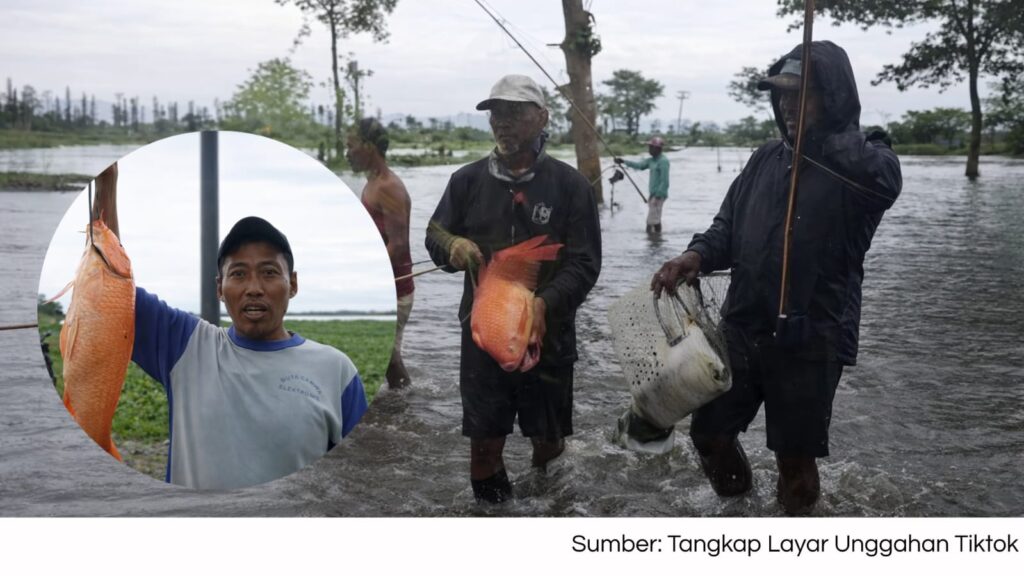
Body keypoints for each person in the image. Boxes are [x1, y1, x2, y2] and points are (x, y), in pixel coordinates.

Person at [650, 41, 901, 515]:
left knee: (794, 460)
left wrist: (827, 136)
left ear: (833, 97)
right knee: (709, 435)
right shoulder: (764, 159)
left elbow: (883, 184)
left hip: (812, 333)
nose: (787, 104)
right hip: (744, 324)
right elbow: (726, 228)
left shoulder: (869, 163)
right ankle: (740, 510)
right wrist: (695, 255)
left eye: (800, 94)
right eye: (781, 94)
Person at [93, 164, 368, 490]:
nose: (254, 288)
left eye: (269, 273)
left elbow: (358, 481)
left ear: (292, 284)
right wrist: (106, 184)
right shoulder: (186, 346)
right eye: (238, 274)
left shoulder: (336, 371)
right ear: (219, 288)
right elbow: (109, 284)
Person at [425, 74, 601, 503]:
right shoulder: (466, 181)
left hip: (549, 337)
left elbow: (584, 264)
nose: (502, 122)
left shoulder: (570, 186)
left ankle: (548, 511)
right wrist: (452, 246)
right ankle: (495, 520)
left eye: (514, 112)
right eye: (496, 114)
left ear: (542, 118)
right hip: (483, 336)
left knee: (547, 442)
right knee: (484, 447)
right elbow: (434, 234)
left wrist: (545, 304)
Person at [347, 117, 415, 389]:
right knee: (384, 356)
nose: (347, 153)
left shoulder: (388, 187)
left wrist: (368, 280)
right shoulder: (372, 183)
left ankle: (405, 402)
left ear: (368, 147)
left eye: (351, 146)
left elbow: (398, 246)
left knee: (387, 357)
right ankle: (400, 401)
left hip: (394, 289)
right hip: (383, 286)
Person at [614, 137, 670, 233]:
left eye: (651, 147)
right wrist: (623, 161)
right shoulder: (651, 160)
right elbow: (639, 165)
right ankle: (657, 238)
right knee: (654, 219)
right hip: (653, 194)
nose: (649, 149)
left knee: (651, 221)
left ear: (658, 149)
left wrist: (657, 196)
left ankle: (653, 239)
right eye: (649, 147)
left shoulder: (663, 161)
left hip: (658, 196)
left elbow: (665, 181)